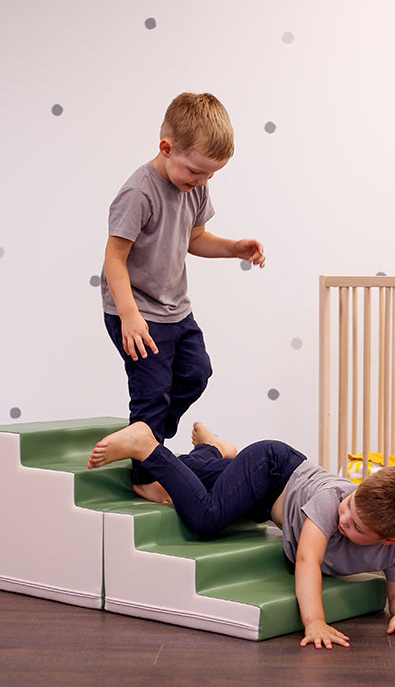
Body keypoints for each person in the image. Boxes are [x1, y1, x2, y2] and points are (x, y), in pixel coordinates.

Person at [87, 422, 395, 649]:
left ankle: (213, 449)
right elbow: (307, 560)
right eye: (350, 505)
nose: (343, 518)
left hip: (267, 503)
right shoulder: (331, 502)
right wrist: (314, 622)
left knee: (188, 477)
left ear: (390, 540)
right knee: (204, 517)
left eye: (357, 527)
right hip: (272, 469)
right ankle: (146, 444)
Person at [100, 93, 265, 503]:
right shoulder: (140, 192)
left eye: (211, 174)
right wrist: (130, 316)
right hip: (136, 311)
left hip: (176, 309)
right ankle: (145, 475)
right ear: (166, 148)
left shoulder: (193, 188)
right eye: (195, 171)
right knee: (152, 393)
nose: (202, 181)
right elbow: (114, 258)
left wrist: (233, 248)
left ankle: (147, 440)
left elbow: (195, 239)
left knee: (196, 373)